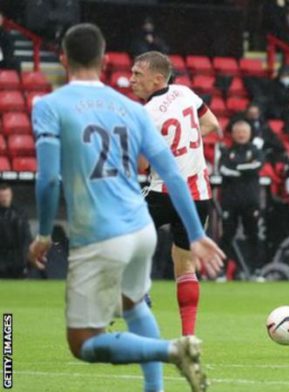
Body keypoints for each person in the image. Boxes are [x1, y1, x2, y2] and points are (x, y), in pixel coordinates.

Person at [27, 24, 224, 392]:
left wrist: (42, 234)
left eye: (136, 72)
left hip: (106, 225)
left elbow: (48, 179)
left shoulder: (52, 106)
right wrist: (198, 235)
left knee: (84, 341)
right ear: (103, 61)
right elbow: (182, 160)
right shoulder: (140, 107)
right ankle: (168, 366)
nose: (131, 78)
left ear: (64, 59)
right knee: (139, 301)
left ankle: (170, 348)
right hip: (158, 219)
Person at [130, 50, 221, 337]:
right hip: (199, 194)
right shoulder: (184, 92)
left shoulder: (144, 114)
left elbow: (142, 164)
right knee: (185, 266)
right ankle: (188, 337)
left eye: (137, 75)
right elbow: (212, 125)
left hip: (163, 191)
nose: (131, 79)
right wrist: (183, 149)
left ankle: (138, 291)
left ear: (157, 79)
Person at [219, 120, 264, 272]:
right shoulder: (226, 151)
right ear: (233, 134)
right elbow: (224, 169)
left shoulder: (256, 151)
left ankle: (256, 270)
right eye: (238, 131)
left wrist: (237, 168)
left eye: (244, 132)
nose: (241, 135)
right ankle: (221, 272)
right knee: (226, 236)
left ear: (249, 134)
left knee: (253, 234)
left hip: (250, 200)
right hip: (230, 200)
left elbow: (257, 166)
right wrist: (244, 168)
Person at [0, 183, 31, 278]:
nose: (4, 198)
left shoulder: (20, 213)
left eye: (7, 195)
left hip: (17, 258)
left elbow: (26, 237)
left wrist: (24, 258)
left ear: (11, 195)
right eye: (1, 196)